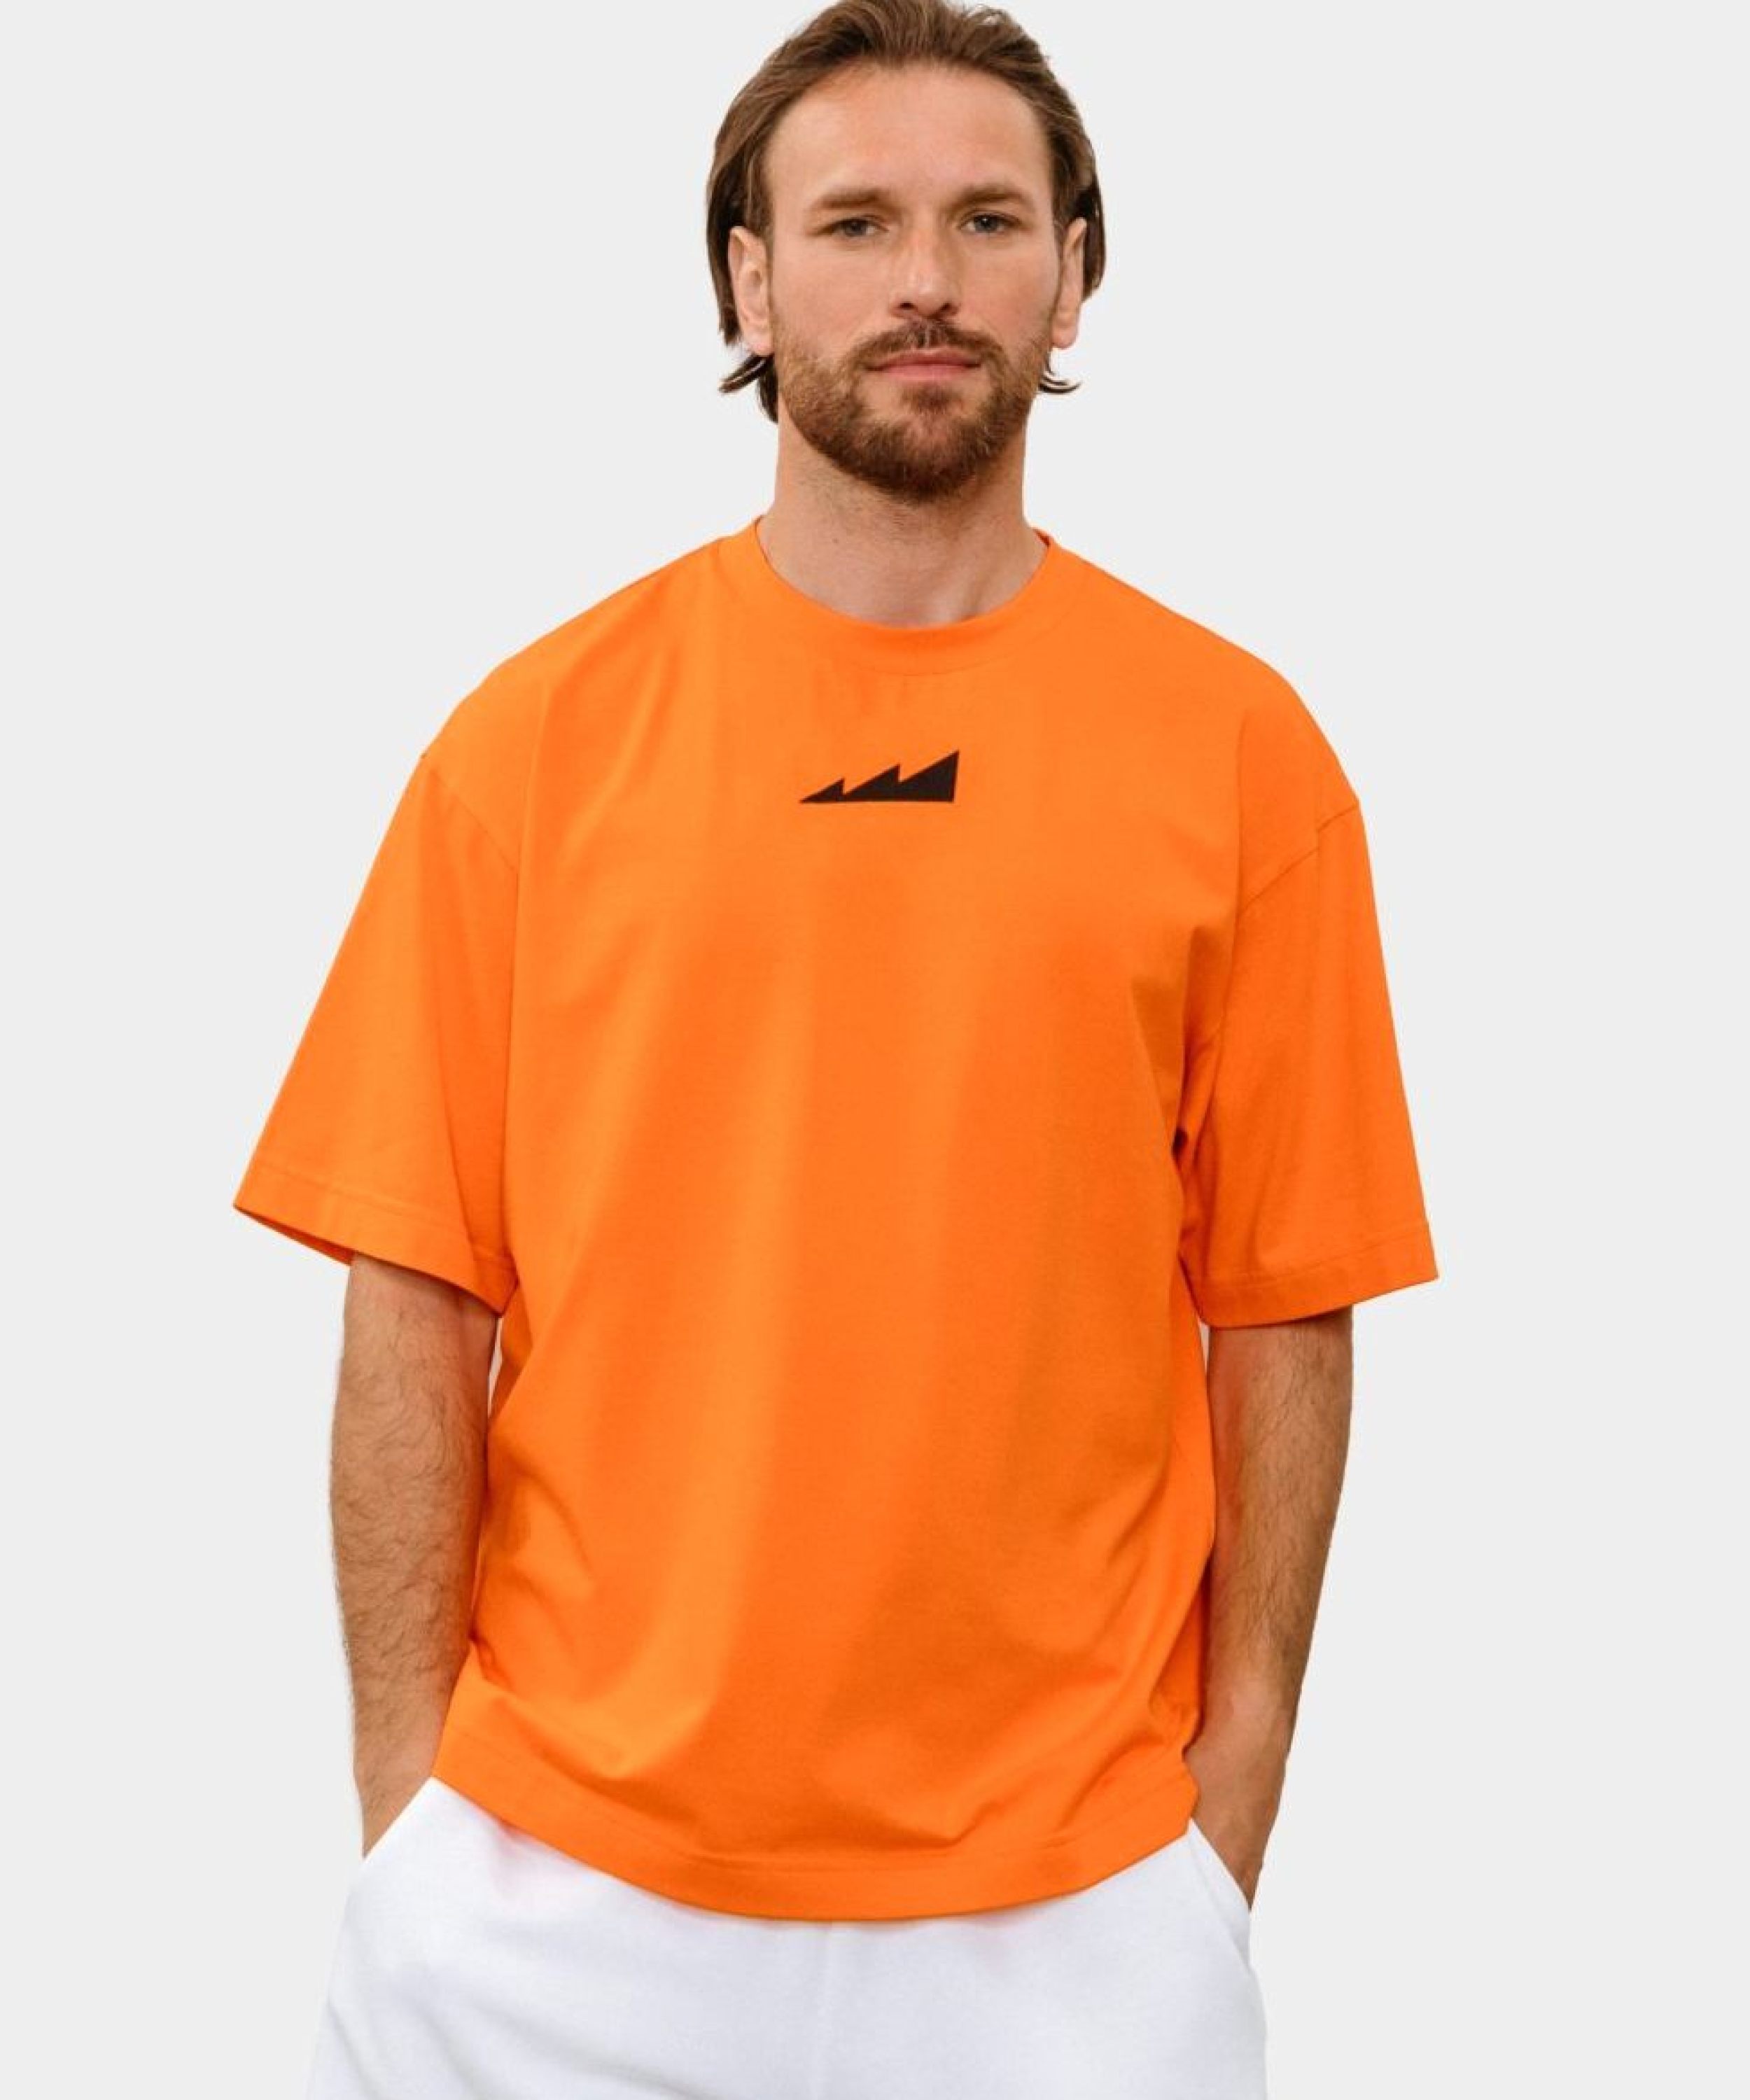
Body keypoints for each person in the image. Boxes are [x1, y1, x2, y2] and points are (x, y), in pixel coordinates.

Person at [232, 2, 1438, 2094]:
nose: (923, 281)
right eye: (856, 221)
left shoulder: (1242, 758)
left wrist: (1220, 1828)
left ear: (1072, 276)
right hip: (550, 1898)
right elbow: (414, 1290)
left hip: (1075, 1916)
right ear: (748, 279)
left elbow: (1283, 1312)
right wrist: (411, 1823)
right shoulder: (531, 748)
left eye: (989, 220)